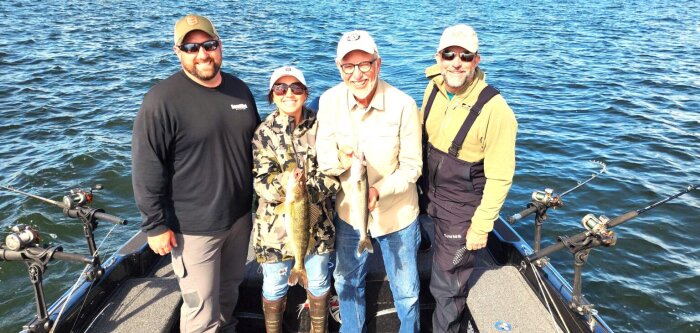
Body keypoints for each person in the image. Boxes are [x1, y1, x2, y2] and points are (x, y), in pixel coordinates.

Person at [131, 14, 260, 333]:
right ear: (178, 52)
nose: (202, 54)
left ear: (220, 46)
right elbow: (147, 166)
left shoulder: (239, 90)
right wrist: (155, 225)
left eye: (209, 45)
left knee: (229, 295)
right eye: (191, 47)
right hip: (193, 229)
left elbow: (259, 146)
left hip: (241, 219)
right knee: (201, 310)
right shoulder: (161, 100)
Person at [316, 30, 423, 333]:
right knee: (346, 282)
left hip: (397, 214)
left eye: (365, 64)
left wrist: (379, 190)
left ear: (378, 64)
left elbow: (412, 167)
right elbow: (324, 159)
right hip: (350, 214)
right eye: (348, 66)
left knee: (407, 291)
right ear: (339, 68)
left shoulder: (403, 104)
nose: (357, 74)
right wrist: (343, 159)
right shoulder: (329, 101)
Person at [420, 24, 517, 332]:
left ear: (477, 60)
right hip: (428, 192)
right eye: (449, 54)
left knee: (448, 287)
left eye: (465, 56)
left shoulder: (496, 110)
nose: (456, 62)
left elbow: (501, 177)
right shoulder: (433, 87)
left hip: (462, 207)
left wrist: (482, 225)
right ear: (439, 57)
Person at [252, 66, 339, 333]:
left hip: (318, 226)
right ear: (272, 95)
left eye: (296, 88)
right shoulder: (263, 133)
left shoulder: (323, 125)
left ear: (305, 93)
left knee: (320, 281)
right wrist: (287, 185)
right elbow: (261, 182)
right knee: (275, 284)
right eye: (281, 88)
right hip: (274, 231)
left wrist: (304, 190)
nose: (289, 93)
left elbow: (333, 175)